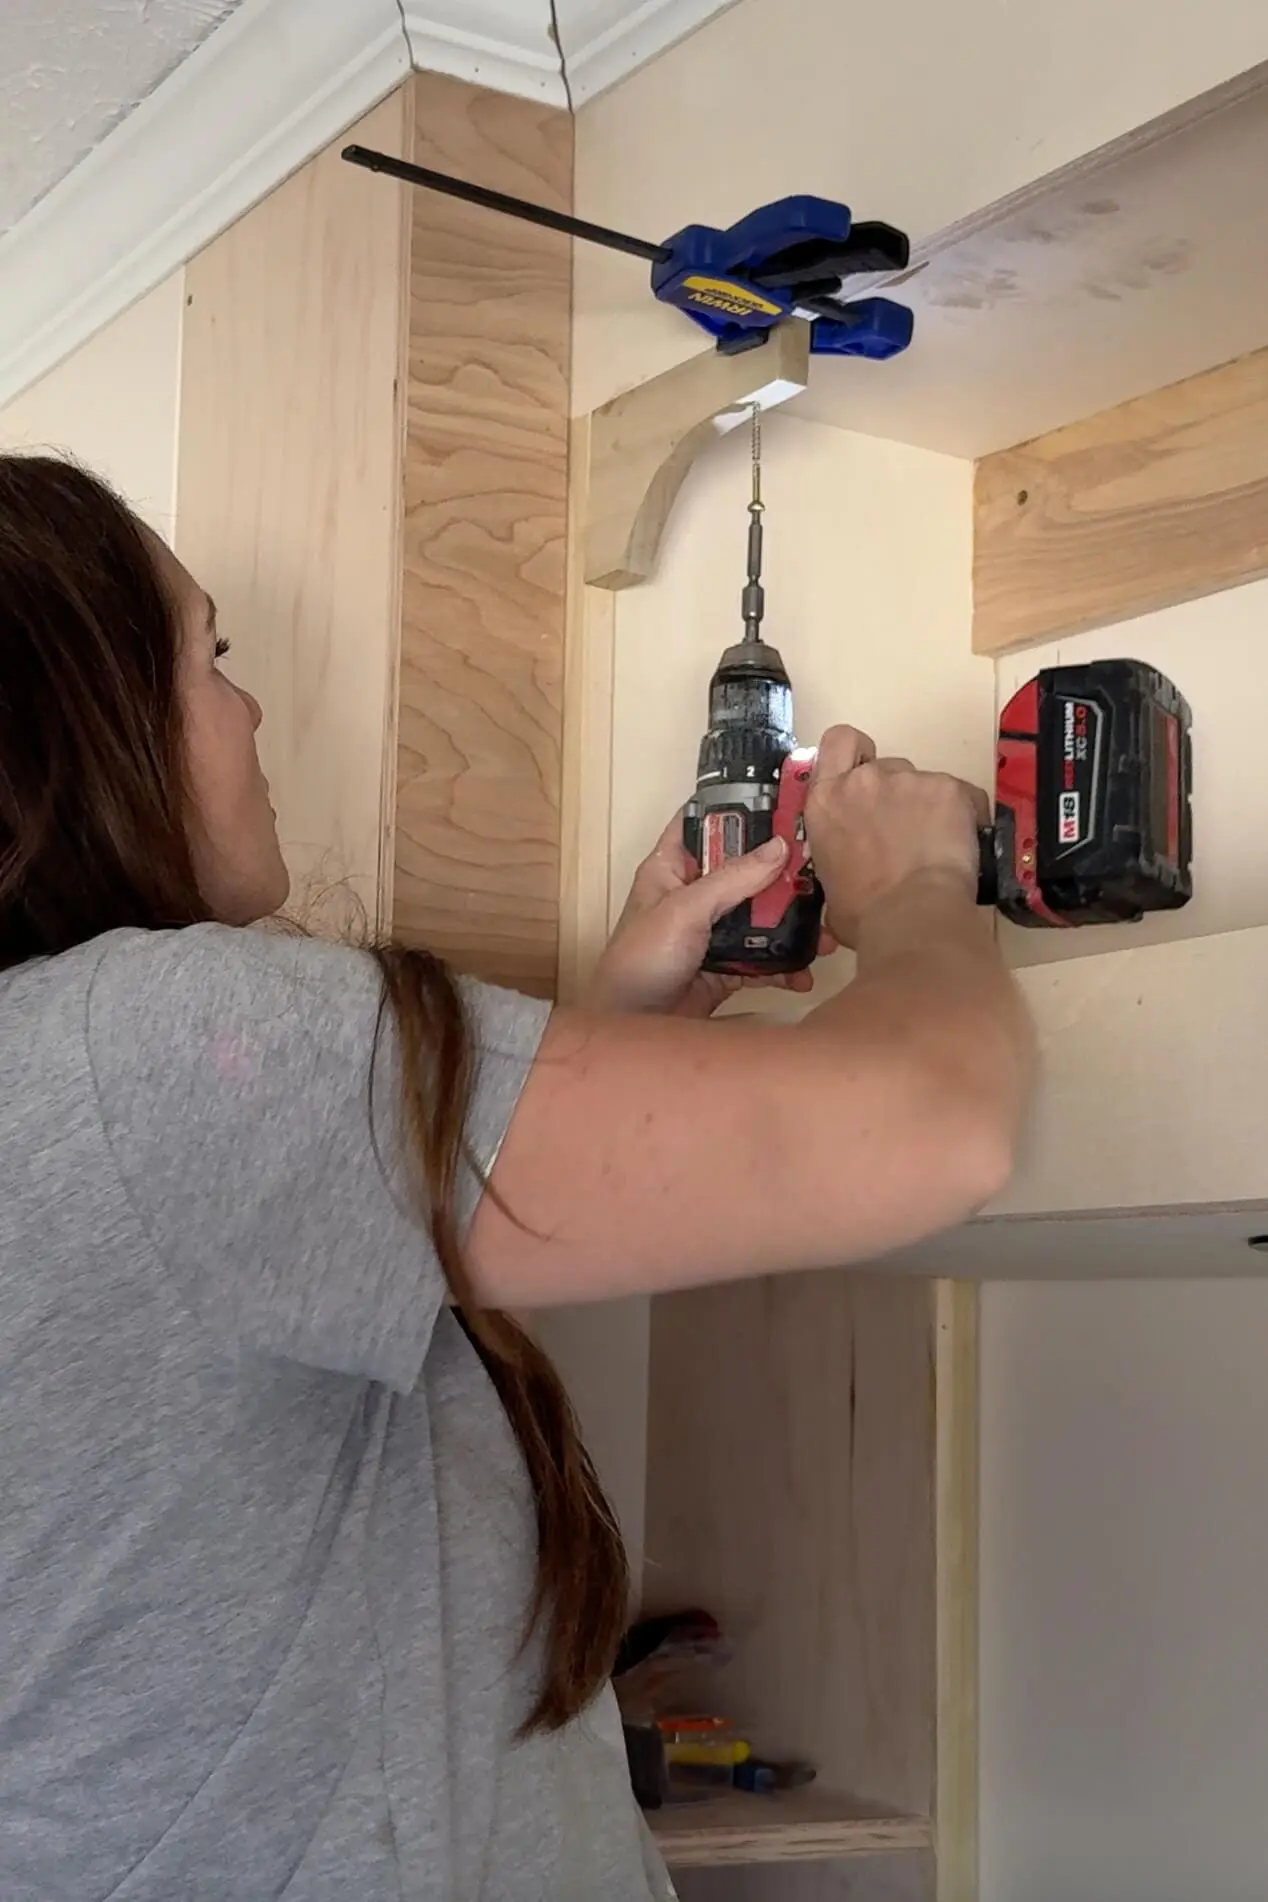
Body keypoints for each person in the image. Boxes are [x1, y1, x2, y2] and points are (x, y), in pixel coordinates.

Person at [0, 453, 1033, 1902]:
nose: (249, 707)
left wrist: (610, 1033)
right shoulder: (160, 1045)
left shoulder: (57, 1079)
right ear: (83, 720)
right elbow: (942, 1124)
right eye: (211, 656)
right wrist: (918, 885)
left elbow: (313, 1426)